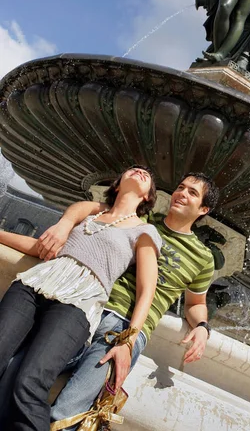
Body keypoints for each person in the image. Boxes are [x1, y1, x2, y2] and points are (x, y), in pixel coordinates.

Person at [0, 172, 219, 430]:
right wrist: (65, 223)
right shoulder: (141, 219)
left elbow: (194, 304)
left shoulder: (203, 258)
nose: (181, 193)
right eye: (180, 187)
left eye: (192, 193)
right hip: (82, 308)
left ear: (203, 209)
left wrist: (202, 328)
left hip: (124, 328)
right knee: (14, 371)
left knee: (68, 412)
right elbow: (94, 209)